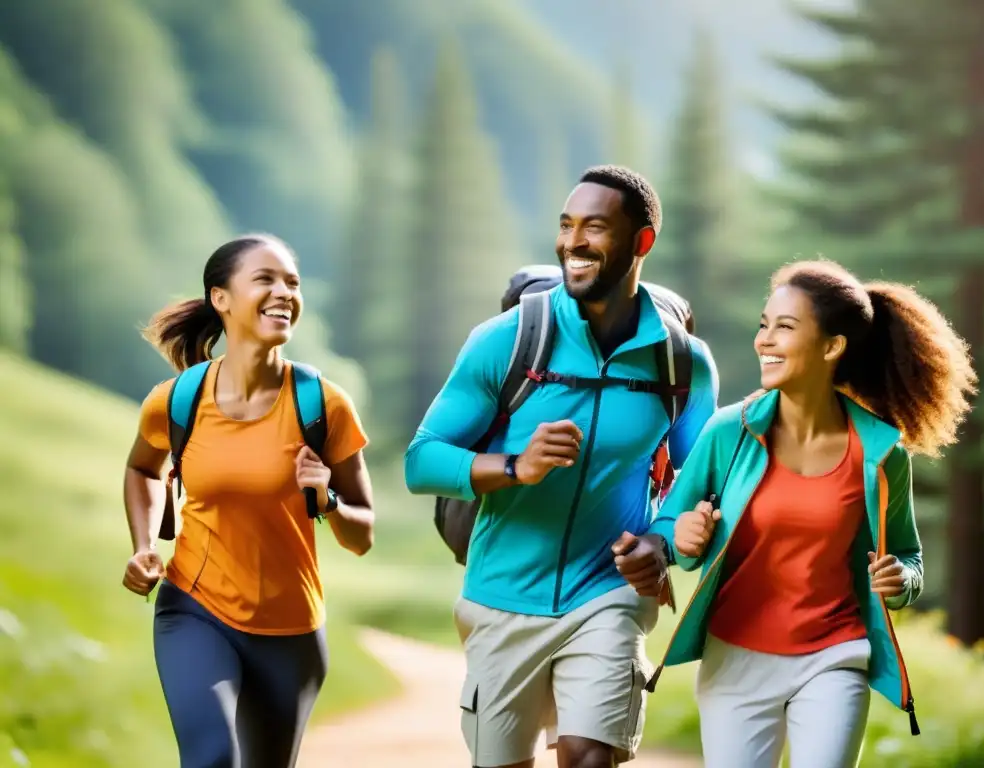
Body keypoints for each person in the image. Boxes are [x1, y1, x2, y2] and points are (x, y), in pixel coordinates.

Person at [404, 165, 720, 768]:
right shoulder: (508, 339)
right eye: (566, 225)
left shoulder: (682, 362)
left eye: (595, 227)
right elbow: (422, 461)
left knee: (589, 756)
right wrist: (514, 466)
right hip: (502, 594)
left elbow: (699, 481)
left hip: (609, 592)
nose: (573, 242)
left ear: (641, 242)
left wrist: (663, 541)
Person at [629, 259, 977, 768]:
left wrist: (900, 579)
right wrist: (683, 538)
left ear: (833, 347)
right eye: (763, 325)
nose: (765, 340)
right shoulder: (730, 433)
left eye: (784, 328)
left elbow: (908, 556)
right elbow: (670, 528)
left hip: (834, 656)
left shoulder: (880, 453)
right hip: (736, 657)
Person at [121, 234, 375, 768]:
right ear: (222, 298)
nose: (284, 292)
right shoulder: (178, 399)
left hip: (292, 632)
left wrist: (326, 497)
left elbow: (362, 535)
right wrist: (143, 545)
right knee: (211, 757)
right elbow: (144, 468)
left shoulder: (322, 404)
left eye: (293, 282)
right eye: (266, 279)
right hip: (195, 608)